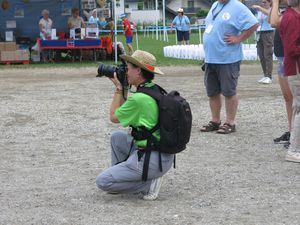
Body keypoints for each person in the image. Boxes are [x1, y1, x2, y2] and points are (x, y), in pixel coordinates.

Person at [96, 50, 174, 200]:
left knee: (103, 182)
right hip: (160, 155)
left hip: (152, 160)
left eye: (128, 68)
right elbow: (126, 112)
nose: (125, 72)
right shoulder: (152, 89)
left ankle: (148, 185)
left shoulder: (139, 98)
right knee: (117, 138)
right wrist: (124, 88)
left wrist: (119, 89)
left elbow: (113, 117)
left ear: (138, 71)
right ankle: (124, 178)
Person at [200, 0, 259, 134]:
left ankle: (230, 122)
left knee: (229, 91)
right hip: (211, 58)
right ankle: (215, 121)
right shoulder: (215, 5)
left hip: (227, 58)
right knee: (212, 92)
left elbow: (254, 24)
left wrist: (239, 38)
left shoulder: (237, 6)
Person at [270, 0, 300, 163]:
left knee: (296, 105)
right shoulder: (291, 17)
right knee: (297, 105)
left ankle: (295, 144)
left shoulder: (292, 15)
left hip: (293, 65)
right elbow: (292, 49)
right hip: (294, 66)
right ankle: (294, 147)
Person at [269, 1, 293, 148]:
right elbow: (271, 18)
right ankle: (292, 131)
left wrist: (276, 2)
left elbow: (273, 22)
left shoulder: (294, 11)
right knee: (288, 98)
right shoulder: (288, 10)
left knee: (295, 98)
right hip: (281, 57)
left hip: (290, 58)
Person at [252, 0, 275, 84]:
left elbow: (270, 15)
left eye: (265, 2)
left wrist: (259, 8)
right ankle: (265, 75)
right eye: (262, 2)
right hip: (259, 33)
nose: (262, 4)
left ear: (270, 3)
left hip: (268, 32)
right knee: (261, 55)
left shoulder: (273, 9)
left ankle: (269, 76)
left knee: (267, 55)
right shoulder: (260, 11)